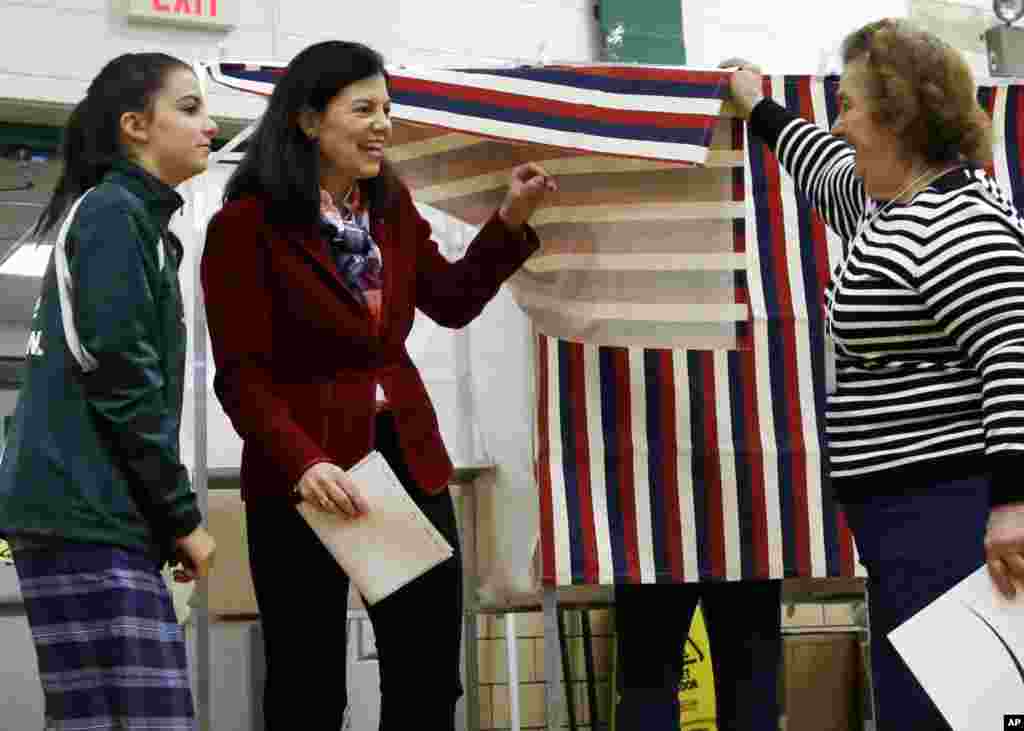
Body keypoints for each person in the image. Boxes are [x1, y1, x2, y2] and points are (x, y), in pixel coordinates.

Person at [200, 40, 555, 731]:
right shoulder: (244, 227)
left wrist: (509, 221)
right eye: (363, 108)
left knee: (426, 678)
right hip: (306, 477)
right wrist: (303, 462)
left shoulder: (389, 211)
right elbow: (240, 376)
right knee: (307, 688)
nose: (384, 124)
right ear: (308, 120)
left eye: (388, 108)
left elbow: (450, 299)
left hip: (403, 458)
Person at [724, 18, 1024, 729]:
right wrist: (755, 104)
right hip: (900, 519)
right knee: (925, 702)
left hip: (952, 512)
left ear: (898, 114)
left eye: (851, 103)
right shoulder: (886, 207)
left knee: (962, 710)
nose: (840, 118)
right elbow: (821, 165)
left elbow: (1014, 359)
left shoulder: (959, 222)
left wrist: (1014, 506)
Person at [0, 53, 219, 731]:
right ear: (135, 126)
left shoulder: (136, 222)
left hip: (88, 515)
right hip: (82, 514)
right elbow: (123, 380)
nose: (208, 125)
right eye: (188, 108)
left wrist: (161, 522)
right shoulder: (113, 215)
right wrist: (181, 516)